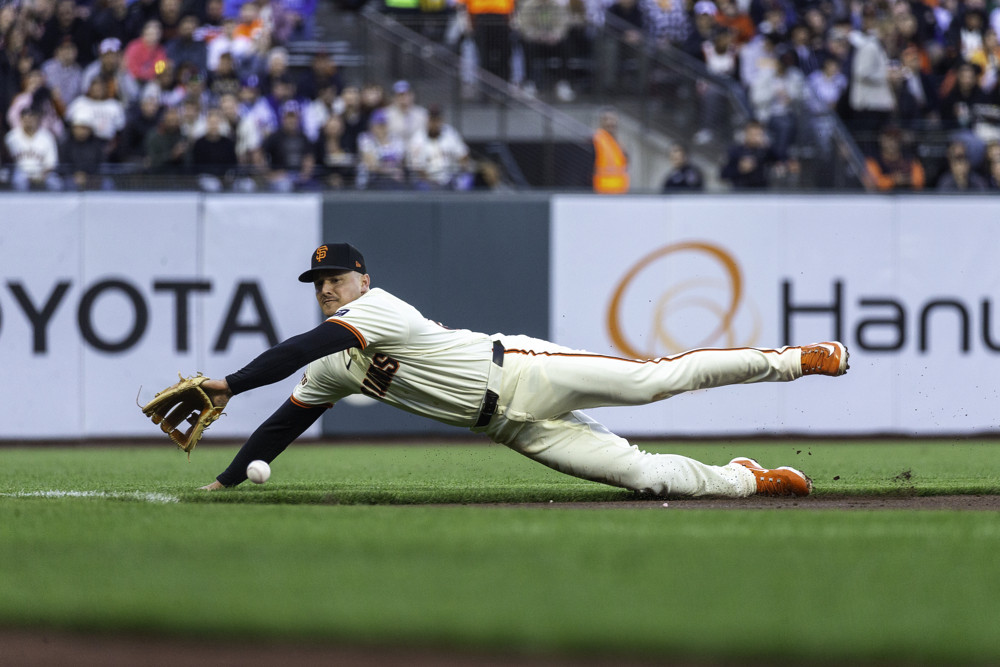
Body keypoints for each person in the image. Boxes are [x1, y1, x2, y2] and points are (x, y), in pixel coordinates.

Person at [192, 242, 850, 498]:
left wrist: (228, 383)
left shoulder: (378, 308)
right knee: (644, 476)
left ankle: (791, 361)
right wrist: (225, 482)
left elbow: (297, 350)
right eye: (320, 282)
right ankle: (746, 481)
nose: (328, 288)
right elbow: (283, 424)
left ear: (362, 279)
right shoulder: (337, 365)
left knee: (655, 379)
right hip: (513, 428)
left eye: (336, 278)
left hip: (523, 372)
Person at [591, 106, 628, 193]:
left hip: (619, 192)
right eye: (606, 119)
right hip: (602, 191)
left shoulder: (617, 143)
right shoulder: (597, 140)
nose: (610, 122)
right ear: (601, 122)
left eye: (613, 119)